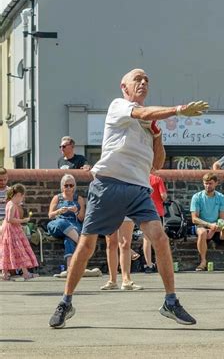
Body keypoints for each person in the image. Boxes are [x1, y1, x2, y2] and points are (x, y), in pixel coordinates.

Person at [48, 68, 207, 328]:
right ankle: (65, 302)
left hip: (138, 189)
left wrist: (157, 134)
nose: (143, 83)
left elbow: (156, 164)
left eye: (147, 80)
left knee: (160, 238)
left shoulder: (149, 121)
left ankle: (171, 301)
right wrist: (178, 109)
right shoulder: (119, 105)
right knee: (87, 246)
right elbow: (143, 112)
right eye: (138, 79)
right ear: (125, 86)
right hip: (108, 185)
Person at [190, 173, 224, 271]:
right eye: (206, 183)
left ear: (216, 183)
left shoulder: (221, 197)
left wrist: (214, 228)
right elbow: (194, 219)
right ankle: (203, 262)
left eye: (210, 183)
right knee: (202, 233)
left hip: (217, 226)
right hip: (202, 225)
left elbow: (222, 218)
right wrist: (209, 225)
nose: (207, 186)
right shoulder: (197, 197)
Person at [47, 174, 86, 273]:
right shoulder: (57, 198)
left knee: (69, 237)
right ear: (62, 186)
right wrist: (59, 211)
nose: (68, 187)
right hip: (59, 224)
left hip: (73, 224)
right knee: (62, 222)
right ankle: (82, 245)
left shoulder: (79, 199)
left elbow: (82, 218)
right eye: (66, 185)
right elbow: (50, 216)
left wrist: (76, 212)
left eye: (71, 185)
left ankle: (70, 267)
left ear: (74, 186)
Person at [0, 184, 39, 281]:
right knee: (19, 251)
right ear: (18, 195)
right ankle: (25, 273)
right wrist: (23, 221)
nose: (22, 199)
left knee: (7, 251)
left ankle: (5, 274)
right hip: (12, 232)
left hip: (9, 230)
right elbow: (10, 219)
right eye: (22, 196)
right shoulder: (12, 205)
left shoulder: (9, 203)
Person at [100, 218, 143, 291]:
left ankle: (126, 280)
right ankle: (112, 281)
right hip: (110, 210)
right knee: (111, 244)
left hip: (127, 209)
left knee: (125, 243)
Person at [143, 171, 168, 273]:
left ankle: (148, 264)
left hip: (143, 210)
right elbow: (163, 196)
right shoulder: (157, 179)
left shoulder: (140, 178)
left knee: (146, 239)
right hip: (156, 211)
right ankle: (160, 264)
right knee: (158, 239)